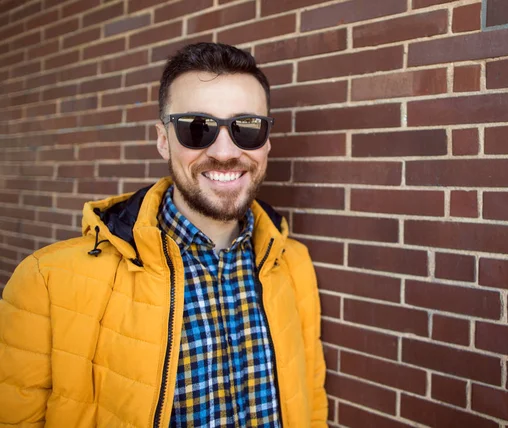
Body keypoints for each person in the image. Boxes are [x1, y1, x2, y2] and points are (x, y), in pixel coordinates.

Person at [0, 42, 327, 427]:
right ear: (162, 139)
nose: (225, 151)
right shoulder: (47, 282)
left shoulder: (293, 264)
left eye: (247, 128)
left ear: (267, 142)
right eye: (197, 128)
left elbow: (311, 403)